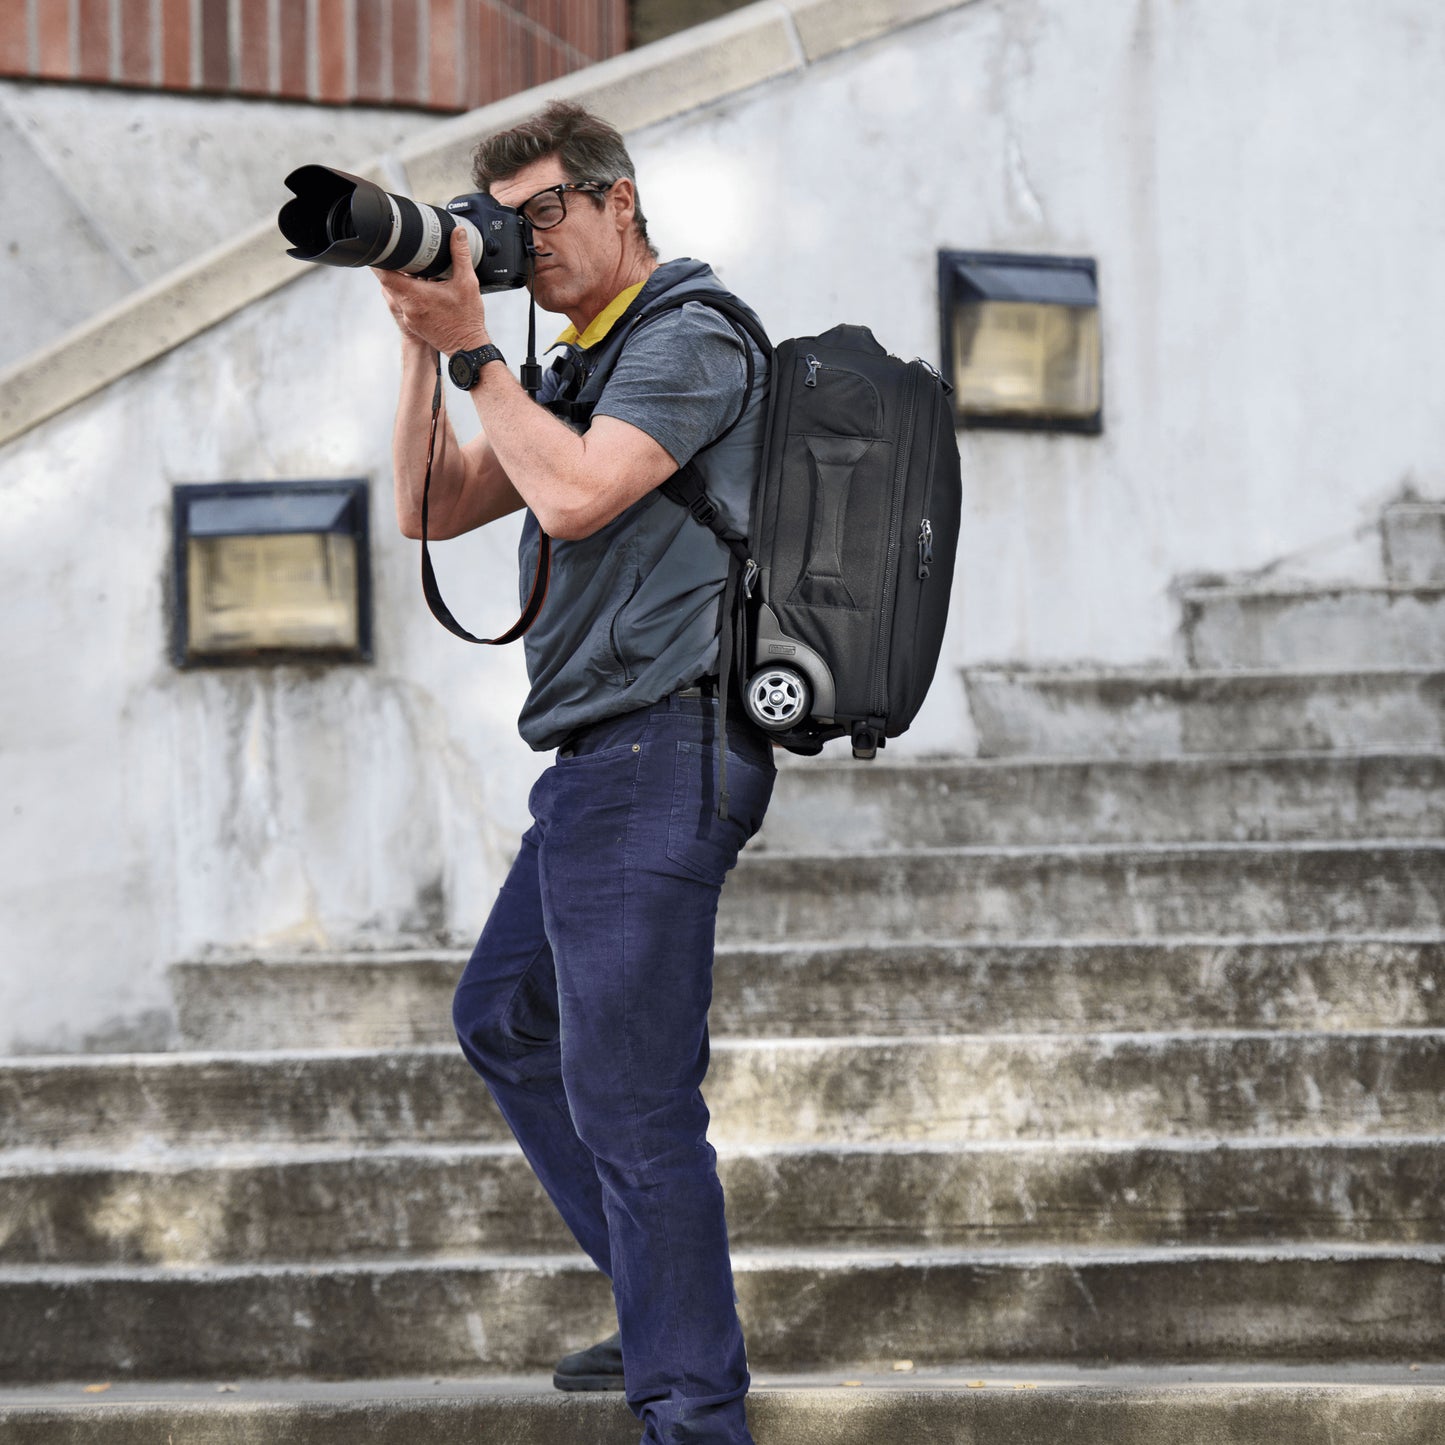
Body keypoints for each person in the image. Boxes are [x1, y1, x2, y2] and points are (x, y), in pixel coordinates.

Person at [373, 101, 773, 1445]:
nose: (527, 240)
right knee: (504, 1016)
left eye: (547, 211)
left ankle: (691, 1412)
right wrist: (423, 348)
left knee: (631, 1095)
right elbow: (431, 507)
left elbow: (581, 496)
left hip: (666, 743)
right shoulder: (565, 364)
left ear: (620, 201)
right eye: (509, 222)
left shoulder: (688, 335)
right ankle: (664, 1305)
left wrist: (478, 354)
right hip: (596, 757)